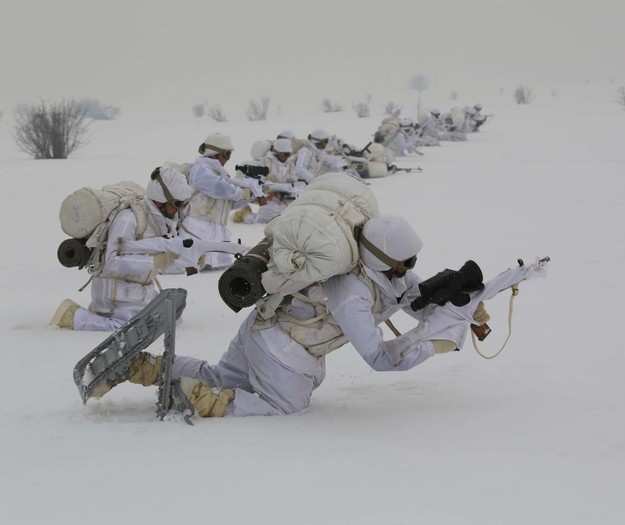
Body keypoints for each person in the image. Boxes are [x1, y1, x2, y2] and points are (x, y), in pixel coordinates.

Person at [107, 216, 548, 418]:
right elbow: (378, 358)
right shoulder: (350, 290)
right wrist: (430, 341)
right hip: (286, 353)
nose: (406, 268)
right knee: (283, 408)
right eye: (400, 262)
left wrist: (471, 295)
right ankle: (192, 398)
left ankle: (145, 368)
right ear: (377, 258)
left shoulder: (371, 269)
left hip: (262, 328)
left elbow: (411, 295)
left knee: (223, 374)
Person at [51, 168, 194, 331]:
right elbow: (111, 262)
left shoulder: (161, 223)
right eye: (177, 204)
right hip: (114, 295)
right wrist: (155, 261)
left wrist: (187, 261)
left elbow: (161, 261)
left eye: (183, 204)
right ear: (161, 200)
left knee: (169, 321)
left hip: (139, 293)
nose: (180, 209)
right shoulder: (129, 219)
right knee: (132, 330)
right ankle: (72, 316)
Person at [180, 133, 261, 270]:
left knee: (217, 273)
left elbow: (228, 203)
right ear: (215, 153)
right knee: (196, 272)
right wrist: (243, 191)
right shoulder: (201, 169)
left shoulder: (218, 172)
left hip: (216, 231)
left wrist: (250, 197)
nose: (228, 159)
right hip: (198, 229)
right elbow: (219, 188)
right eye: (226, 155)